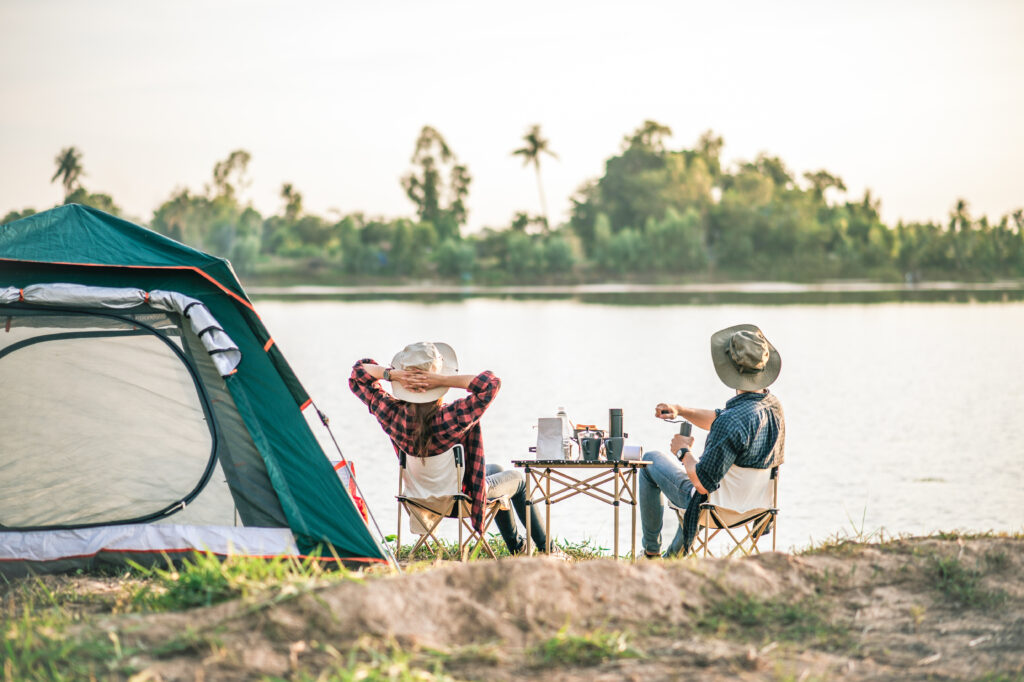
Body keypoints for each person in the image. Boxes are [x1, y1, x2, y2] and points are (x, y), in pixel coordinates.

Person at [349, 341, 553, 556]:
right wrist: (440, 379)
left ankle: (517, 546)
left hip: (419, 500)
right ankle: (547, 549)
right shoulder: (452, 416)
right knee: (518, 480)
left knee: (496, 468)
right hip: (460, 500)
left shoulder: (391, 414)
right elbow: (491, 383)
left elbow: (358, 374)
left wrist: (393, 375)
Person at [639, 324, 786, 557]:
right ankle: (672, 558)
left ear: (729, 369)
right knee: (708, 481)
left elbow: (701, 483)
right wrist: (680, 410)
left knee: (650, 461)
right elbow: (721, 420)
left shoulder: (731, 422)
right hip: (755, 508)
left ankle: (651, 554)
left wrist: (683, 451)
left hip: (714, 509)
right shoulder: (773, 407)